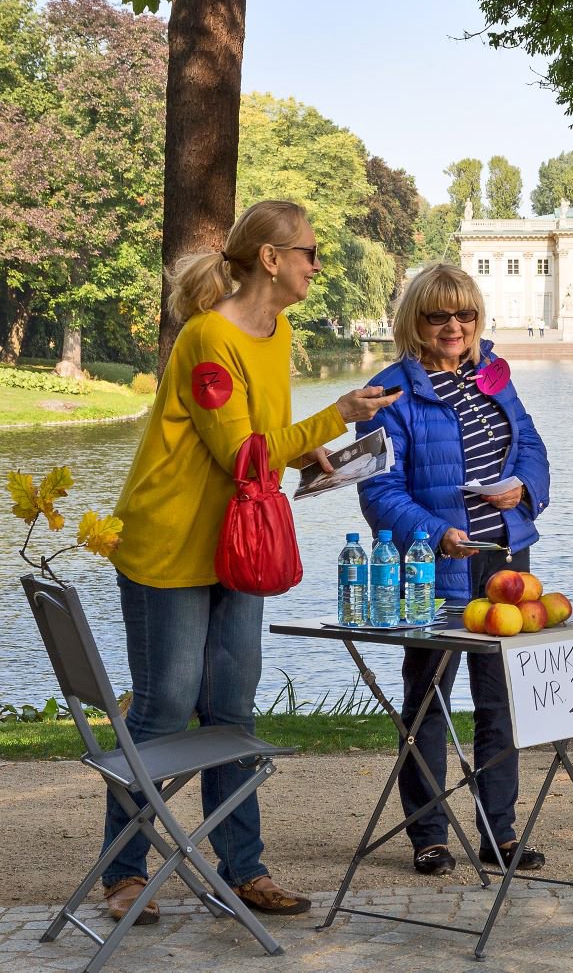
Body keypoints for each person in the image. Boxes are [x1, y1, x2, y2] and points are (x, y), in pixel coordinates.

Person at [103, 199, 398, 924]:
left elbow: (263, 434)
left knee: (232, 708)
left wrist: (312, 449)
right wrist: (340, 414)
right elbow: (240, 453)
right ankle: (122, 874)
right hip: (170, 545)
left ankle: (244, 871)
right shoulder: (209, 338)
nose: (316, 264)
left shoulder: (279, 329)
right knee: (168, 709)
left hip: (239, 545)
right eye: (309, 250)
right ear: (271, 258)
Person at [357, 264, 552, 875]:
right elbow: (378, 491)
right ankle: (429, 835)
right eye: (439, 315)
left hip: (504, 563)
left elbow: (532, 448)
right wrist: (438, 534)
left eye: (465, 314)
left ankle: (500, 834)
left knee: (499, 702)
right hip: (433, 566)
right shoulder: (390, 392)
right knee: (428, 702)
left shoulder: (495, 375)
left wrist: (522, 488)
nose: (454, 326)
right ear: (415, 320)